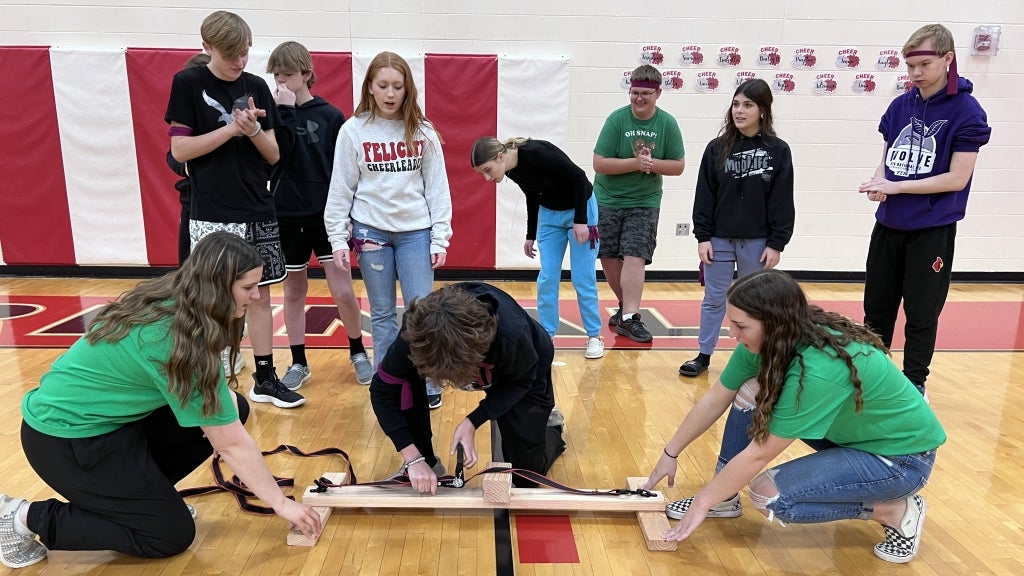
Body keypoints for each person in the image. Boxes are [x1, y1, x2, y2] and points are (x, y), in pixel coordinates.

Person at [1, 233, 322, 569]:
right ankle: (23, 517)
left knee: (232, 407)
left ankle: (147, 501)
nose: (257, 296)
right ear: (216, 286)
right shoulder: (174, 339)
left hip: (112, 426)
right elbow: (231, 445)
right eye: (248, 287)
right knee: (167, 535)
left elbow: (219, 409)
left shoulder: (184, 299)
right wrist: (281, 504)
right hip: (65, 439)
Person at [642, 270, 945, 564]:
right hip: (851, 436)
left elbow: (759, 456)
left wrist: (702, 502)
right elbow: (714, 399)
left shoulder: (820, 369)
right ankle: (725, 496)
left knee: (767, 495)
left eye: (740, 326)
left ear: (773, 323)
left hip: (900, 460)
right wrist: (671, 452)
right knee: (753, 388)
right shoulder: (770, 341)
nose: (732, 334)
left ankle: (894, 510)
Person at [165, 11, 304, 409]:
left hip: (258, 208)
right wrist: (231, 129)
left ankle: (265, 378)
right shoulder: (188, 83)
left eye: (244, 53)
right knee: (210, 299)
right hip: (210, 211)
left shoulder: (257, 84)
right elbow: (179, 150)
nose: (240, 62)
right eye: (231, 56)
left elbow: (275, 153)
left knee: (259, 297)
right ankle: (207, 379)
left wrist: (254, 130)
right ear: (207, 47)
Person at [858, 23, 991, 396]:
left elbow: (956, 178)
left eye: (924, 65)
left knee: (920, 313)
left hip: (932, 229)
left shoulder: (967, 111)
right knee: (877, 308)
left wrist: (897, 186)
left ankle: (915, 384)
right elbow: (887, 160)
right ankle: (871, 379)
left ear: (947, 59)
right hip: (889, 225)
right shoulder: (900, 104)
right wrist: (877, 184)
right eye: (910, 65)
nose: (915, 73)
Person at [325, 51, 452, 408]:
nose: (390, 93)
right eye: (383, 85)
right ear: (370, 87)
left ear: (408, 89)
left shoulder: (423, 131)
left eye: (398, 86)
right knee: (381, 313)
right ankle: (388, 383)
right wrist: (337, 236)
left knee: (420, 311)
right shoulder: (353, 131)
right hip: (371, 233)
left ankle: (426, 381)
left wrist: (440, 235)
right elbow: (341, 188)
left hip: (416, 231)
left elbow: (437, 188)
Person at [370, 282, 566, 492]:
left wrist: (475, 420)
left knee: (525, 478)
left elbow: (521, 382)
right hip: (486, 355)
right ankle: (427, 463)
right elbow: (382, 391)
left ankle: (551, 427)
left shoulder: (512, 334)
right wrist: (413, 458)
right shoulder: (416, 333)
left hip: (525, 366)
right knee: (403, 383)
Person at [267, 41, 373, 389]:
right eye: (277, 74)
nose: (281, 80)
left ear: (306, 75)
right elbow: (276, 158)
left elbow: (344, 172)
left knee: (342, 290)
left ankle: (358, 351)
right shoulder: (272, 114)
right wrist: (281, 113)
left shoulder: (330, 116)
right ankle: (298, 361)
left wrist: (345, 217)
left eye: (288, 74)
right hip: (286, 216)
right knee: (293, 290)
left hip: (326, 216)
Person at [680, 79, 794, 377]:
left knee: (755, 303)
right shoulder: (717, 148)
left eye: (748, 105)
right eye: (735, 104)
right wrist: (702, 236)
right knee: (714, 298)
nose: (739, 111)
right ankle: (703, 355)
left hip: (758, 240)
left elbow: (782, 199)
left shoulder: (778, 151)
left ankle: (754, 359)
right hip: (719, 238)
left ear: (763, 110)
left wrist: (777, 242)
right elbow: (704, 195)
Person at [470, 136, 604, 359]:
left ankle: (593, 336)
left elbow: (579, 178)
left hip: (580, 209)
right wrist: (530, 234)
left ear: (500, 157)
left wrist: (581, 220)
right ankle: (546, 336)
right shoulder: (510, 170)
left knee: (582, 277)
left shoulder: (537, 153)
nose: (486, 178)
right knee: (547, 277)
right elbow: (531, 194)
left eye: (487, 170)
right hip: (550, 215)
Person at [593, 64, 685, 343]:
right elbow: (600, 163)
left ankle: (631, 316)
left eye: (645, 93)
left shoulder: (667, 123)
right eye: (634, 92)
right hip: (608, 199)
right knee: (609, 257)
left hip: (644, 201)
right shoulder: (617, 120)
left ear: (658, 93)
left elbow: (678, 165)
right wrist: (636, 163)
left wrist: (651, 164)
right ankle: (625, 307)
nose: (639, 98)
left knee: (635, 255)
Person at [167, 52, 210, 266]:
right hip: (191, 202)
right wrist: (190, 166)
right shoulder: (186, 115)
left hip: (226, 202)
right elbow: (174, 156)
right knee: (188, 268)